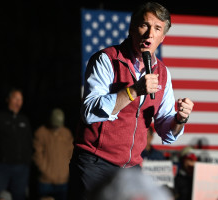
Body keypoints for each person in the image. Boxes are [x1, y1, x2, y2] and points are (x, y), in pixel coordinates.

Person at [68, 2, 194, 199]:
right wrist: (133, 91)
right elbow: (89, 112)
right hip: (95, 163)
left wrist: (180, 119)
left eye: (157, 28)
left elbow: (167, 132)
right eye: (145, 25)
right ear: (132, 28)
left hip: (131, 168)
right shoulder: (106, 59)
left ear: (162, 38)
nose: (149, 34)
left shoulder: (163, 74)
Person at [32, 108, 74, 200]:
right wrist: (44, 170)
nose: (57, 127)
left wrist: (65, 170)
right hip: (45, 181)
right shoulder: (41, 132)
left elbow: (70, 153)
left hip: (63, 180)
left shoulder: (66, 133)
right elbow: (36, 154)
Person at [0, 88, 32, 200]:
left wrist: (27, 161)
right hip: (2, 167)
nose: (18, 102)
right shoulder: (1, 117)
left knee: (20, 196)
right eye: (15, 98)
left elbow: (29, 141)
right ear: (8, 99)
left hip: (21, 168)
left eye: (21, 99)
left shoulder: (24, 120)